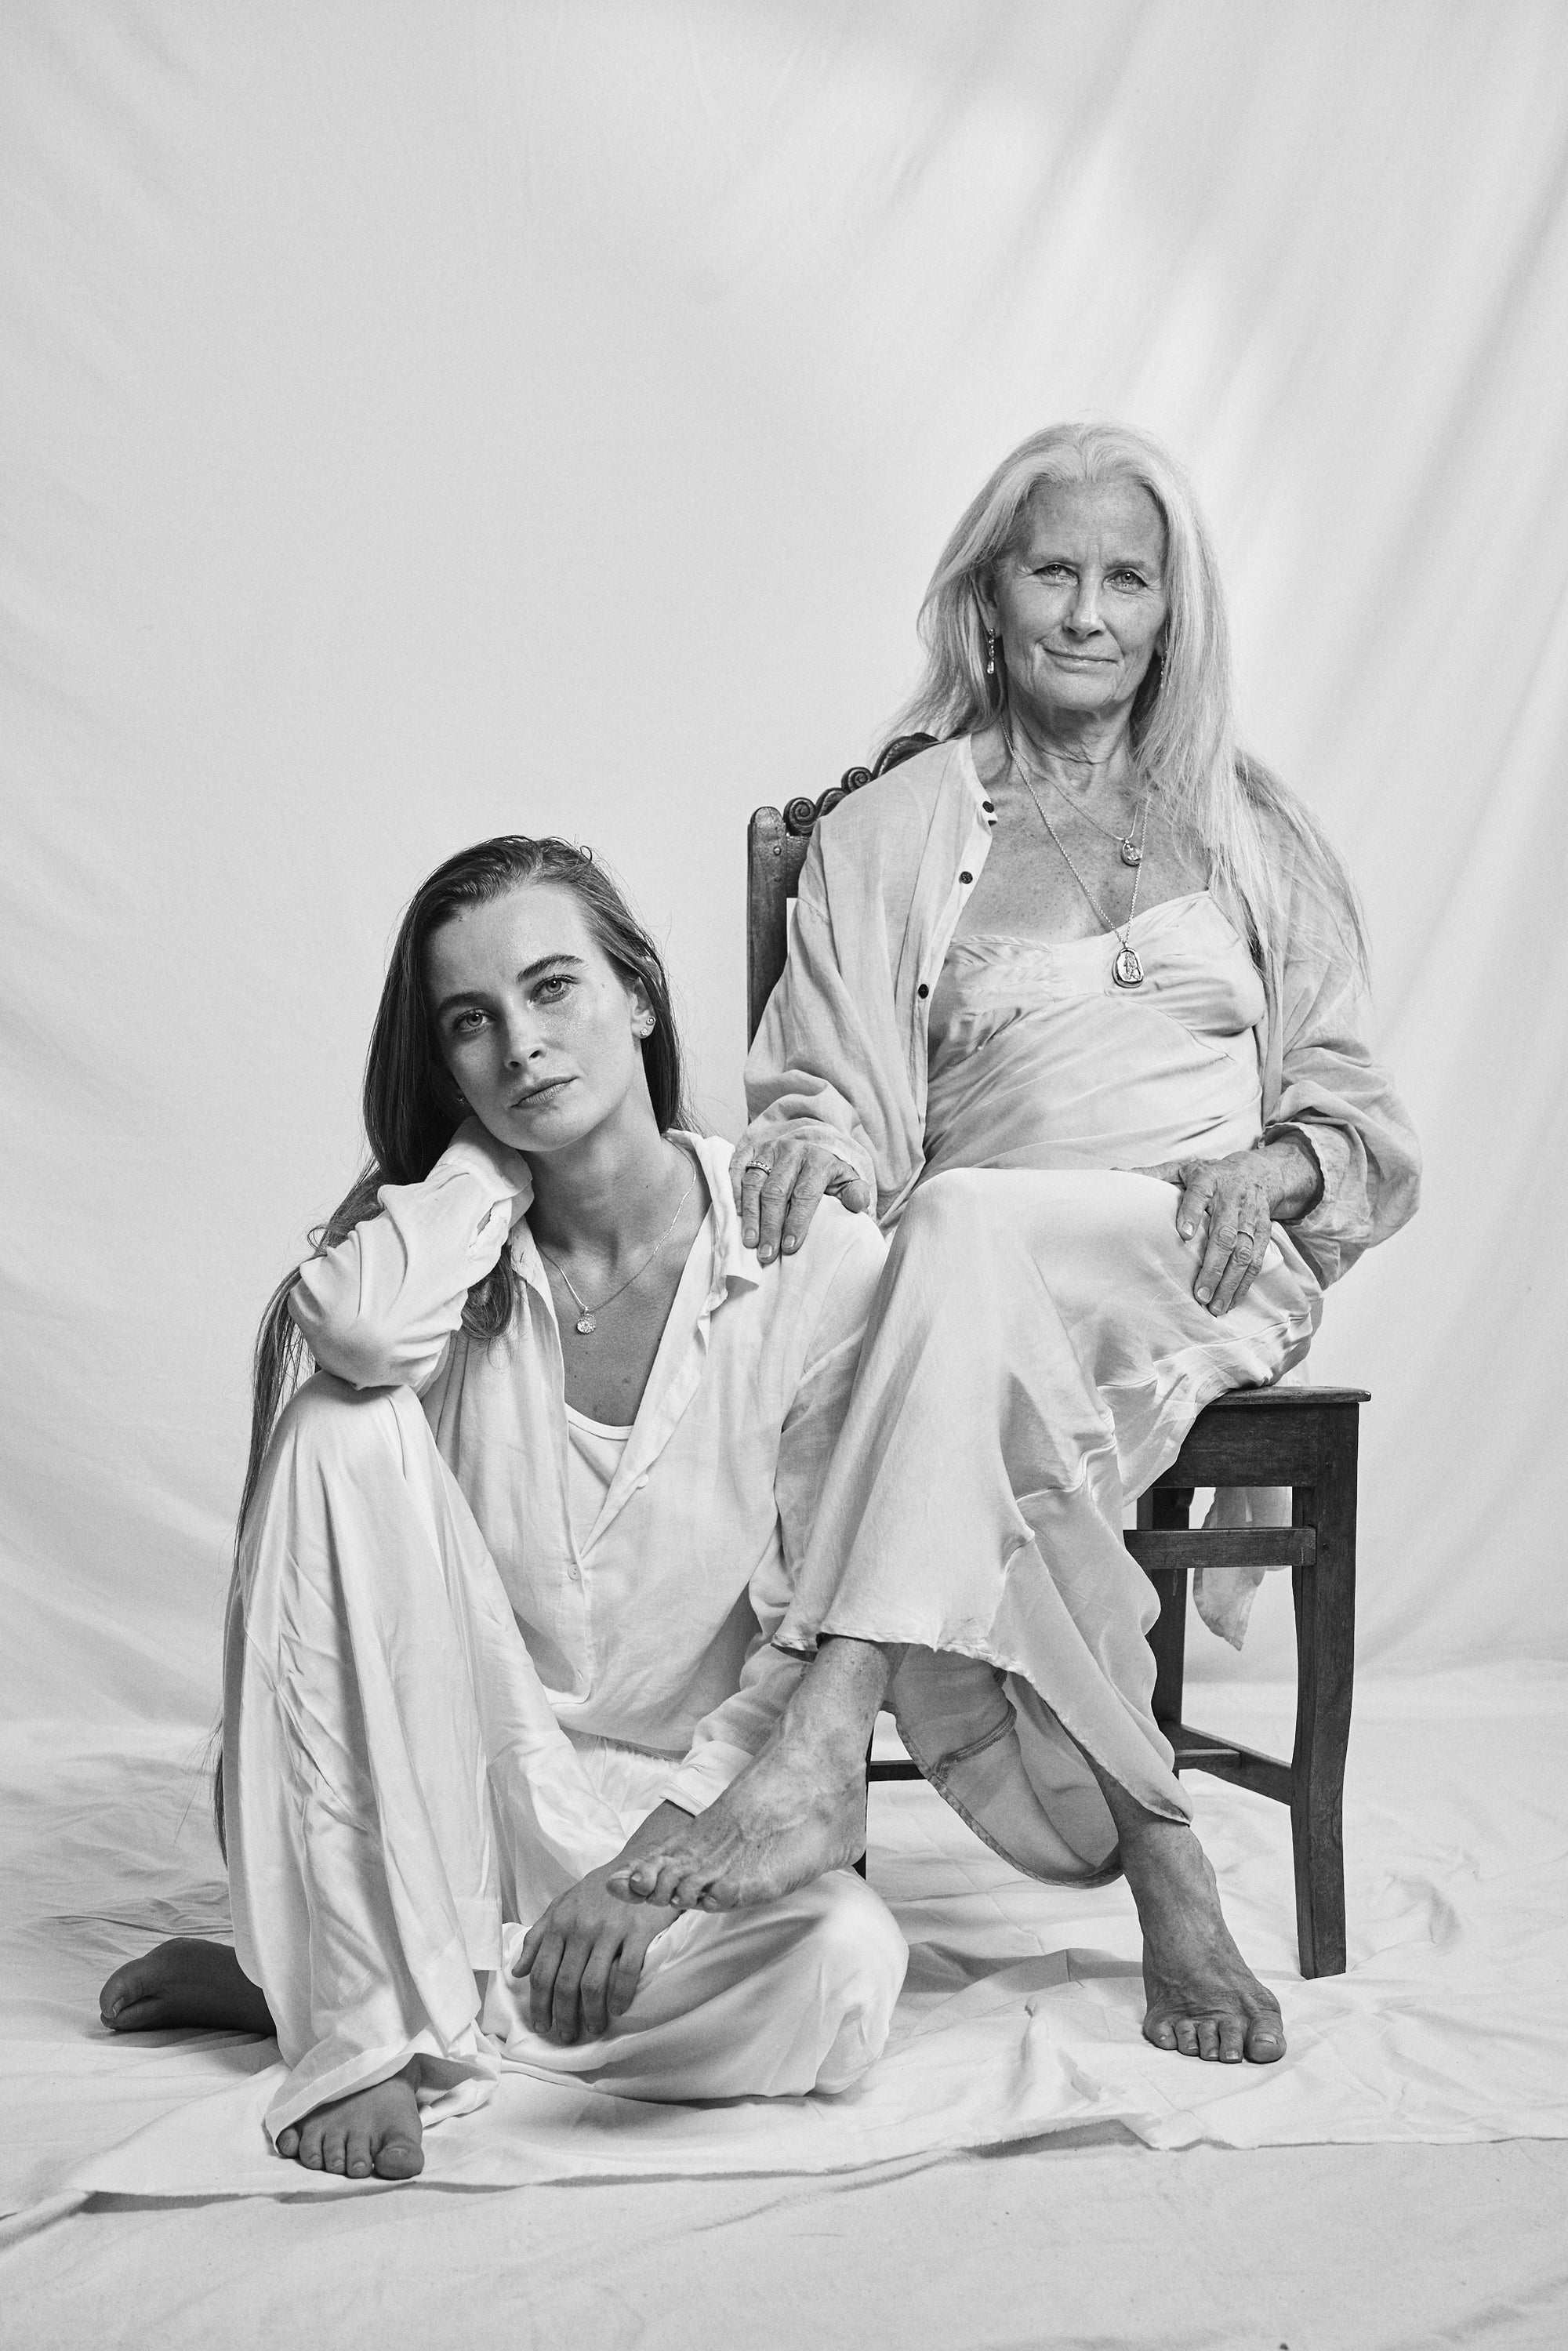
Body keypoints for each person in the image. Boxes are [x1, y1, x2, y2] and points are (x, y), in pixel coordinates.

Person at [609, 422, 1421, 2068]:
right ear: (988, 595)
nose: (1089, 612)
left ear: (1171, 612)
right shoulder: (891, 830)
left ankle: (816, 1719)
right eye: (1053, 569)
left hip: (1197, 1270)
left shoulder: (1249, 828)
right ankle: (1164, 1863)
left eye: (1129, 577)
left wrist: (1271, 1168)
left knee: (957, 1259)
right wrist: (809, 1144)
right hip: (962, 1287)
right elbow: (824, 1096)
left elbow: (1363, 1127)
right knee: (961, 1243)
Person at [99, 835, 906, 2181]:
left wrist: (648, 1879)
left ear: (640, 995)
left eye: (553, 991)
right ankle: (365, 2021)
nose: (521, 1046)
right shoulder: (439, 1256)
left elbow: (812, 1633)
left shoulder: (809, 1255)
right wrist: (479, 1171)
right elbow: (352, 1330)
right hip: (443, 1793)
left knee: (842, 1970)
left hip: (666, 1809)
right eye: (470, 1025)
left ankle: (346, 1985)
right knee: (339, 1423)